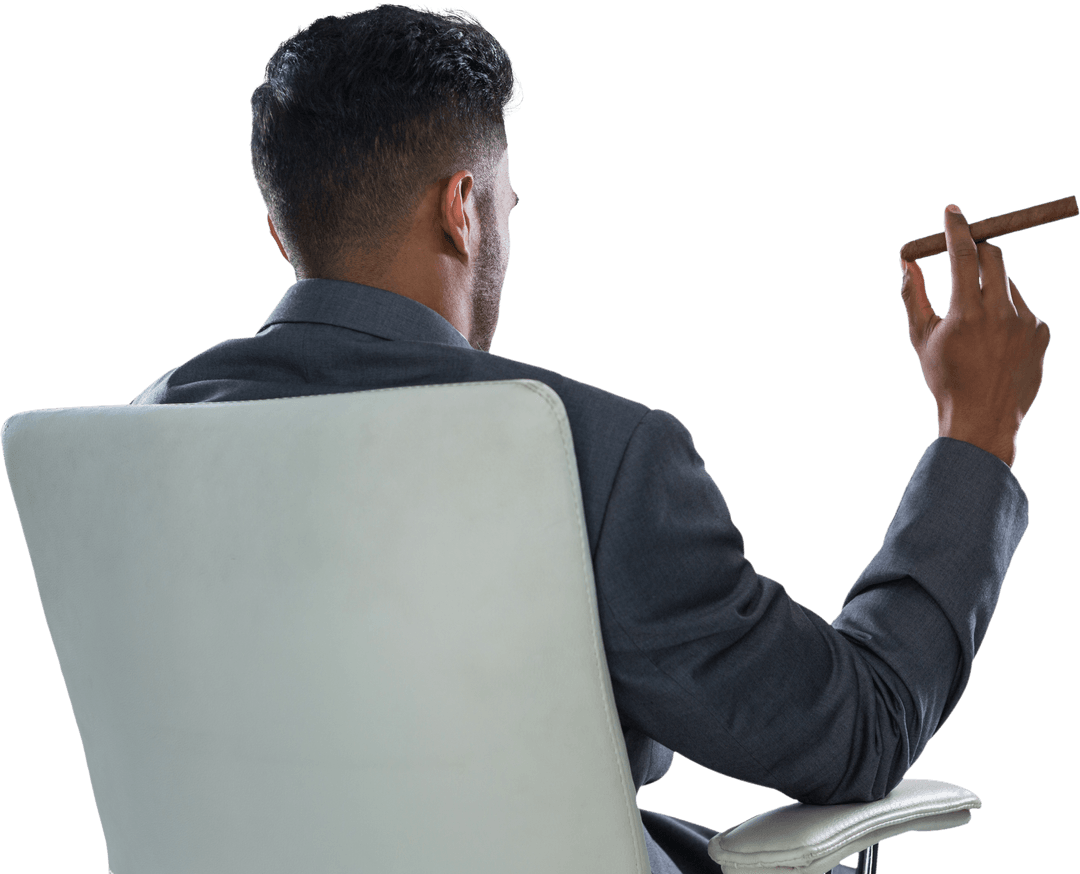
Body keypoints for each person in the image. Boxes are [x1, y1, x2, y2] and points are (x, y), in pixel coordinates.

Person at [132, 5, 1049, 873]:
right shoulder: (582, 456)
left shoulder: (148, 436)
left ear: (282, 228)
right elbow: (860, 732)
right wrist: (978, 431)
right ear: (463, 207)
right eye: (505, 203)